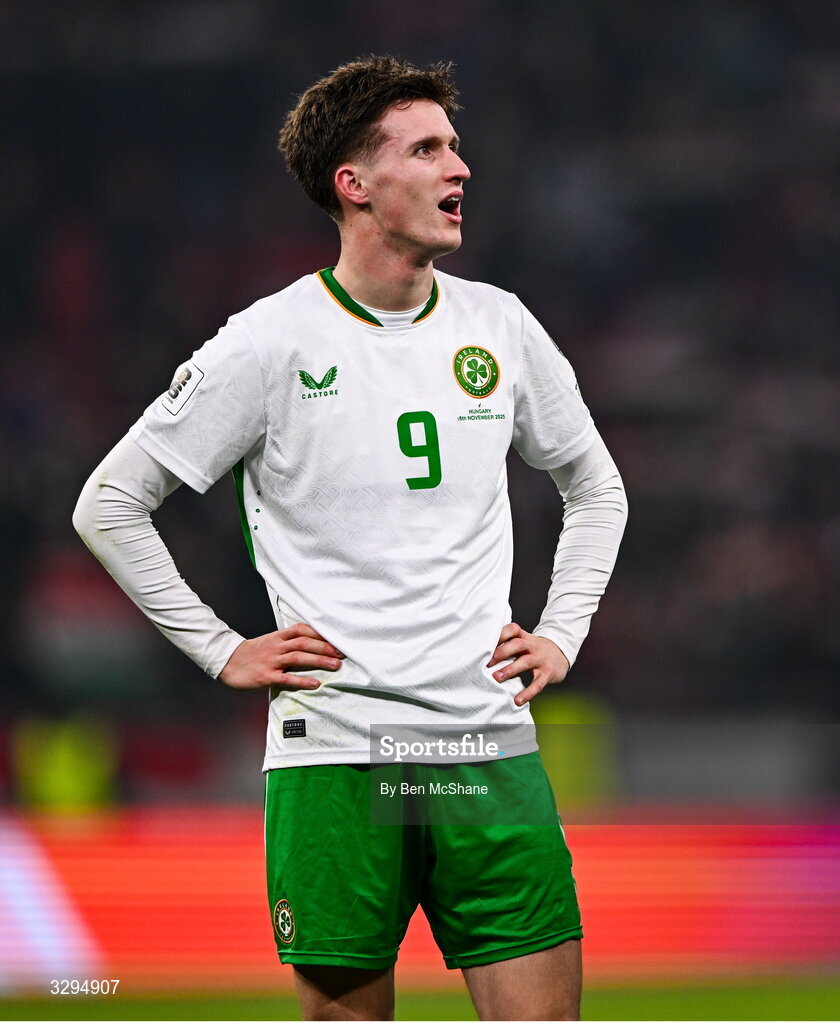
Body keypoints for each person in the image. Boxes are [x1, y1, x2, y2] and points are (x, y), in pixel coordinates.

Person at [74, 56, 627, 1021]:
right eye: (427, 149)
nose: (461, 168)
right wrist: (220, 650)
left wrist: (563, 629)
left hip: (482, 743)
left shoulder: (501, 325)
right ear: (355, 184)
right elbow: (111, 501)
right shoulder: (268, 341)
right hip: (339, 751)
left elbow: (597, 485)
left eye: (455, 146)